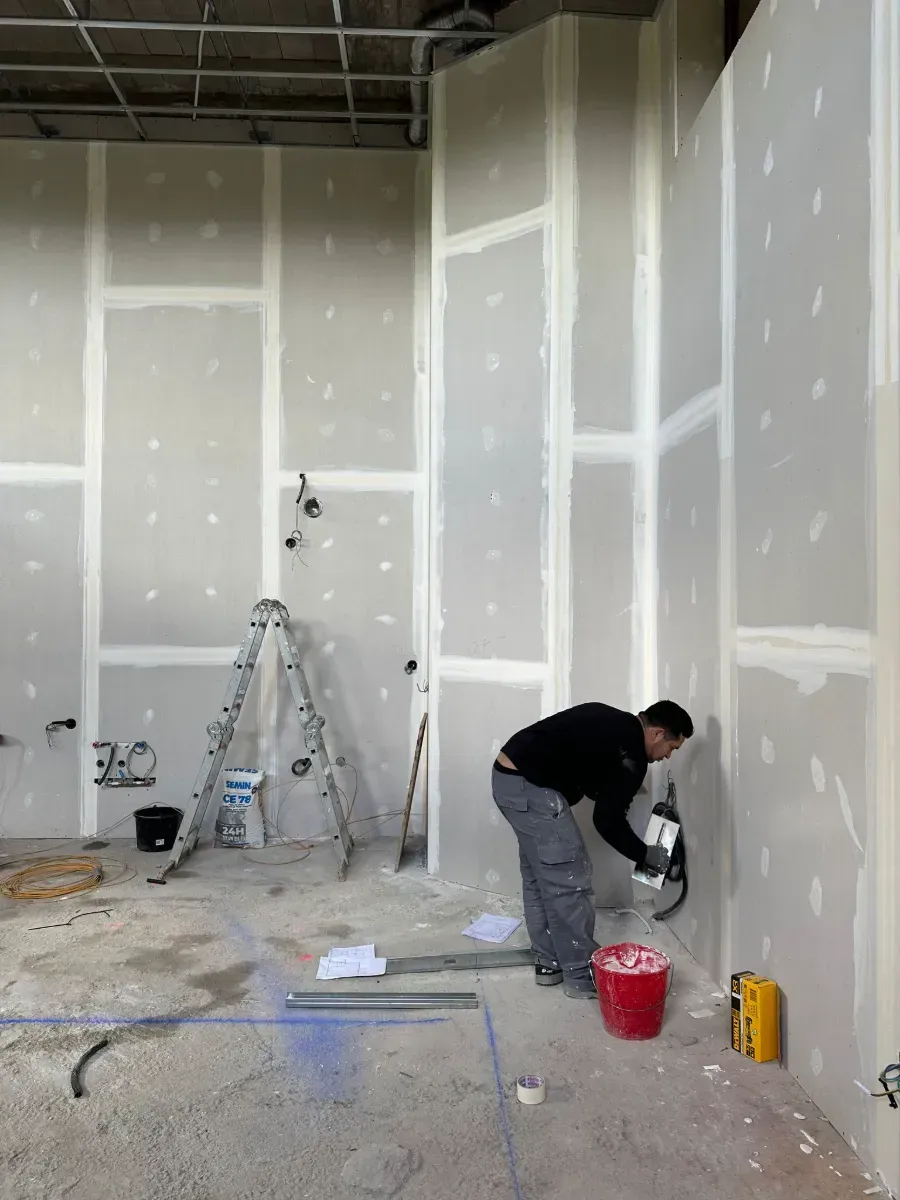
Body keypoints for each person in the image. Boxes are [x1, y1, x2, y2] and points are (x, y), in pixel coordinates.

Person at [492, 700, 693, 998]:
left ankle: (550, 961)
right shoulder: (632, 754)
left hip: (507, 778)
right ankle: (581, 975)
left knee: (541, 876)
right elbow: (607, 821)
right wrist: (647, 856)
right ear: (657, 733)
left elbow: (586, 772)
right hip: (530, 787)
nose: (667, 757)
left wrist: (618, 788)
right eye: (671, 748)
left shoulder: (615, 724)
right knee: (569, 878)